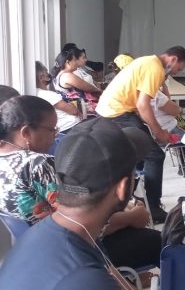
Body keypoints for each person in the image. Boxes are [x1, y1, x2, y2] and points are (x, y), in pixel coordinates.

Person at [0, 98, 161, 270]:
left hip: (35, 252)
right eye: (51, 130)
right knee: (157, 241)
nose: (55, 136)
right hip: (73, 253)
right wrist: (131, 217)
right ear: (26, 133)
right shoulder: (36, 164)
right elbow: (80, 223)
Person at [96, 46, 185, 223]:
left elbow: (140, 105)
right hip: (118, 114)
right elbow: (142, 105)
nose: (177, 72)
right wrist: (158, 131)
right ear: (174, 60)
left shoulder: (147, 61)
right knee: (154, 156)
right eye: (179, 68)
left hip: (112, 111)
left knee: (139, 153)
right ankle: (153, 208)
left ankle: (137, 197)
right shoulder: (154, 68)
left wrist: (149, 128)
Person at [52, 49, 102, 114]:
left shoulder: (60, 75)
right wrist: (102, 93)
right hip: (79, 112)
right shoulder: (67, 75)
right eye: (74, 60)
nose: (76, 62)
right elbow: (89, 88)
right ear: (68, 62)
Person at [35, 61, 81, 133]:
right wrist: (72, 105)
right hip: (69, 128)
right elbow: (74, 111)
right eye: (46, 72)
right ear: (41, 77)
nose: (48, 74)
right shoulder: (48, 95)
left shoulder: (37, 93)